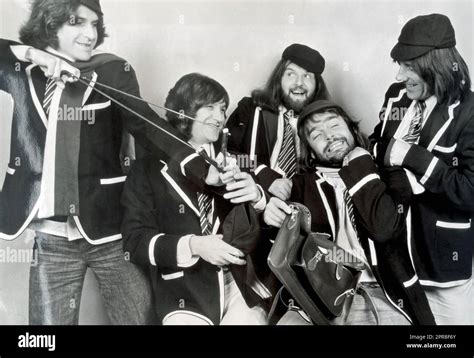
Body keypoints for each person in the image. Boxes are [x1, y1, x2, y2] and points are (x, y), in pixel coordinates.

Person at [0, 0, 219, 324]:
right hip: (50, 238)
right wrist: (34, 54)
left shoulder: (113, 71)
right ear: (50, 23)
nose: (90, 34)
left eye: (94, 24)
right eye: (79, 22)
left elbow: (147, 126)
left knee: (137, 320)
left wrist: (203, 169)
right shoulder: (21, 70)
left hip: (111, 231)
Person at [264, 100, 435, 325]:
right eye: (316, 135)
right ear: (311, 151)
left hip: (385, 295)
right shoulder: (299, 185)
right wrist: (269, 218)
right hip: (319, 298)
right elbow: (286, 249)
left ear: (352, 129)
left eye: (334, 126)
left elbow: (385, 229)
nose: (329, 136)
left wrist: (360, 164)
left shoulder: (389, 173)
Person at [121, 73, 270, 325]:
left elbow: (270, 221)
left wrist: (258, 198)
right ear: (183, 111)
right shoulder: (145, 170)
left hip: (239, 288)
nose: (220, 117)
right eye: (209, 107)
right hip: (183, 293)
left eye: (223, 109)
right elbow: (134, 242)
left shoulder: (236, 162)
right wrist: (194, 245)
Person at [370, 13, 473, 325]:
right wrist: (395, 163)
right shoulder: (396, 95)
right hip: (391, 259)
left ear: (436, 64)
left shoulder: (469, 113)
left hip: (441, 264)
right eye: (398, 65)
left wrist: (412, 157)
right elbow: (377, 143)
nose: (400, 75)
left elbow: (469, 191)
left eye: (409, 66)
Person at [226, 43, 329, 199]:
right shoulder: (251, 109)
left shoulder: (324, 123)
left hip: (302, 209)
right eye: (291, 74)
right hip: (253, 205)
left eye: (307, 76)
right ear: (279, 78)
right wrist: (267, 177)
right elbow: (227, 154)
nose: (299, 83)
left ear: (317, 85)